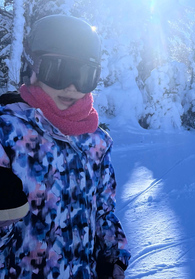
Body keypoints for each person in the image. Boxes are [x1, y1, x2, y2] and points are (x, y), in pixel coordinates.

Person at [0, 15, 130, 279]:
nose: (71, 86)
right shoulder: (7, 133)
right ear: (34, 67)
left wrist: (114, 256)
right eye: (57, 70)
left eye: (84, 76)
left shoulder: (97, 141)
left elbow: (104, 210)